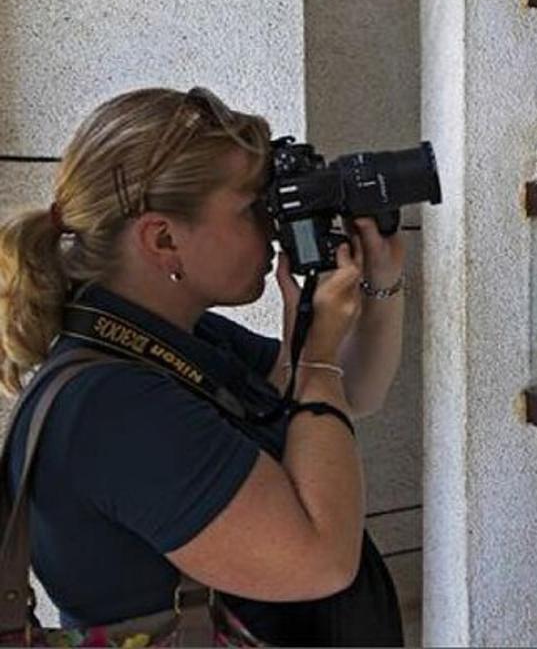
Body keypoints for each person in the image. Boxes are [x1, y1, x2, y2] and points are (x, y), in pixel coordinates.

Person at [0, 88, 407, 645]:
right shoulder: (113, 407)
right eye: (250, 207)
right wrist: (314, 360)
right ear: (163, 238)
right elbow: (321, 559)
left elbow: (352, 393)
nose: (272, 225)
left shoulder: (172, 337)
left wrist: (378, 282)